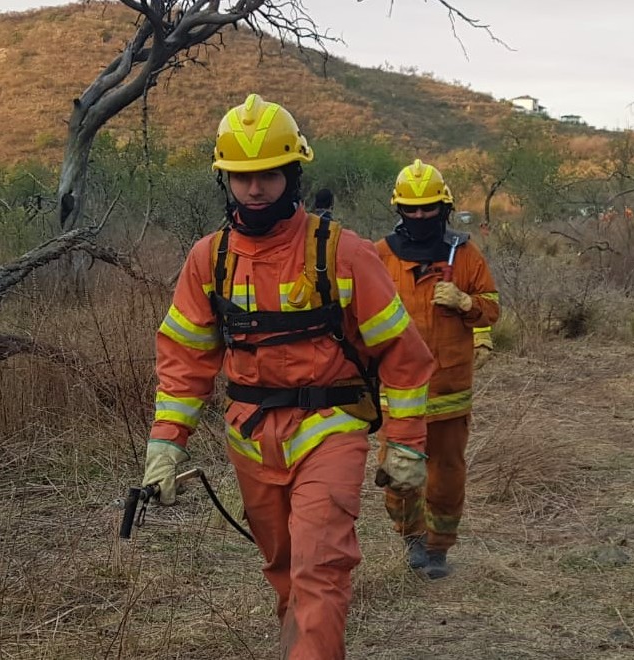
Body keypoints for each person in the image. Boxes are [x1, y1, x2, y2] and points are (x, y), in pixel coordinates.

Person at [140, 94, 434, 659]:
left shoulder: (343, 252)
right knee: (283, 568)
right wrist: (166, 444)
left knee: (319, 566)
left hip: (331, 428)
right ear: (224, 180)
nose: (256, 189)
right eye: (243, 177)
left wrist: (405, 444)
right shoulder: (209, 259)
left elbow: (403, 355)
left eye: (269, 174)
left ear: (293, 172)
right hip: (250, 439)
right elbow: (185, 360)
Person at [374, 158, 500, 579]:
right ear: (399, 209)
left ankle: (438, 547)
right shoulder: (380, 256)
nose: (420, 215)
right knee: (398, 473)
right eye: (411, 208)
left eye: (429, 208)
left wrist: (467, 303)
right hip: (398, 393)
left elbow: (493, 308)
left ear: (443, 207)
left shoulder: (464, 254)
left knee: (446, 475)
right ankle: (410, 538)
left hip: (450, 389)